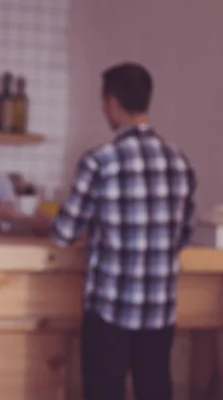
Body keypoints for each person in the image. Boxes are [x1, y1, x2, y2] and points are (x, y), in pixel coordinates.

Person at [50, 62, 197, 400]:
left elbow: (64, 233)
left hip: (109, 308)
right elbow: (183, 235)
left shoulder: (100, 160)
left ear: (112, 101)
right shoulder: (179, 161)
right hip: (159, 307)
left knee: (104, 392)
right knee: (156, 388)